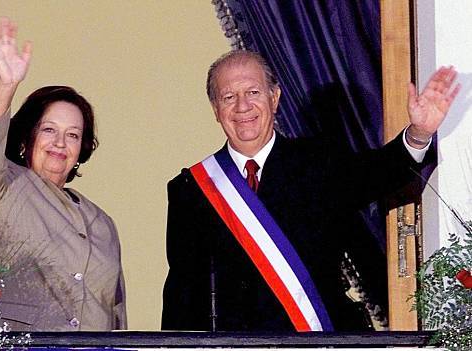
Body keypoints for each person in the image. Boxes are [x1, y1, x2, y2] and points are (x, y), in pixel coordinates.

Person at [161, 50, 460, 332]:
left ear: (274, 97)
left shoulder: (319, 163)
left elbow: (377, 173)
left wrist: (419, 134)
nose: (242, 107)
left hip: (315, 348)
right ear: (215, 109)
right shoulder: (191, 190)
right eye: (229, 97)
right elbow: (182, 292)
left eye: (253, 92)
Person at [0, 18, 126, 331]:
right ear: (26, 140)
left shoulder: (103, 224)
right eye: (49, 130)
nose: (60, 144)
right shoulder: (1, 190)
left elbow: (116, 315)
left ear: (82, 149)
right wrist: (6, 87)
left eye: (73, 135)